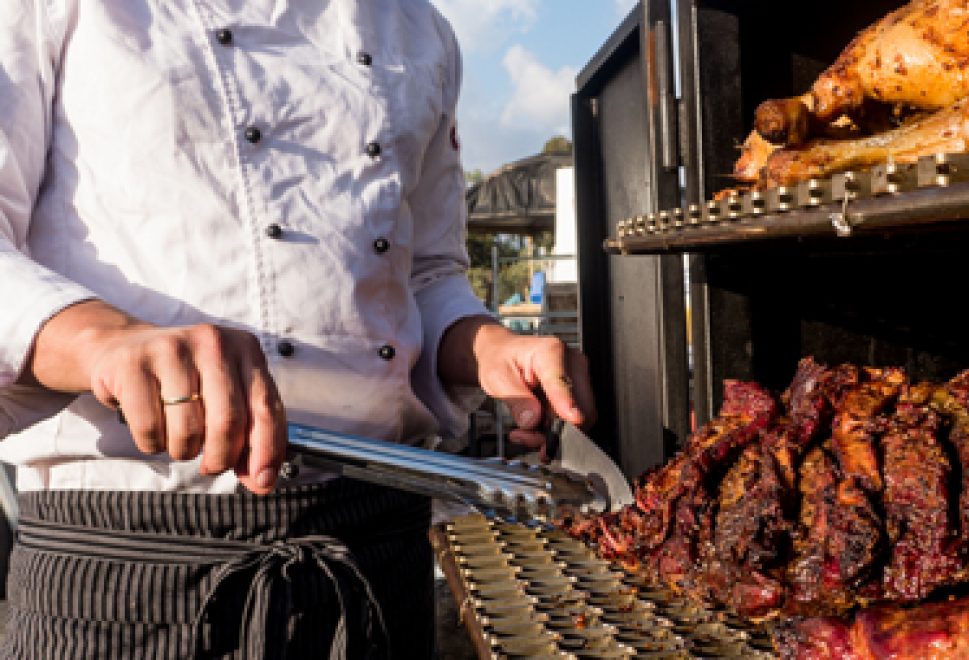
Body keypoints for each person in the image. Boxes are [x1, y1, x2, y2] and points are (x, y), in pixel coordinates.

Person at [0, 1, 595, 657]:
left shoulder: (416, 26)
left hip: (375, 552)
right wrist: (98, 340)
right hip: (132, 568)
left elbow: (426, 273)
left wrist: (488, 346)